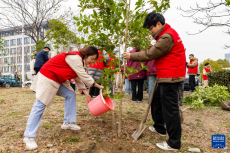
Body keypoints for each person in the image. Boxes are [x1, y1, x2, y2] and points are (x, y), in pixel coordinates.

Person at [123, 12, 185, 151]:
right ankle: (159, 127)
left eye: (151, 28)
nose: (151, 32)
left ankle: (174, 143)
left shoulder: (167, 36)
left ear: (159, 24)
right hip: (165, 75)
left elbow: (151, 54)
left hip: (171, 77)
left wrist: (131, 56)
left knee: (170, 109)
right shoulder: (164, 35)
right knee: (156, 100)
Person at [23, 46, 104, 150]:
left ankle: (68, 122)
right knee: (40, 104)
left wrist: (86, 93)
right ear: (86, 55)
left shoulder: (80, 62)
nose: (91, 62)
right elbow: (83, 75)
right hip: (48, 76)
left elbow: (78, 77)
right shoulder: (75, 58)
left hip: (58, 79)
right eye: (91, 59)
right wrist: (96, 85)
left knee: (70, 94)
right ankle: (28, 136)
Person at [146, 37, 157, 103]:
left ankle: (150, 101)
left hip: (150, 69)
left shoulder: (148, 47)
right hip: (158, 69)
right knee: (157, 87)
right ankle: (156, 101)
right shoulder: (160, 46)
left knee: (151, 86)